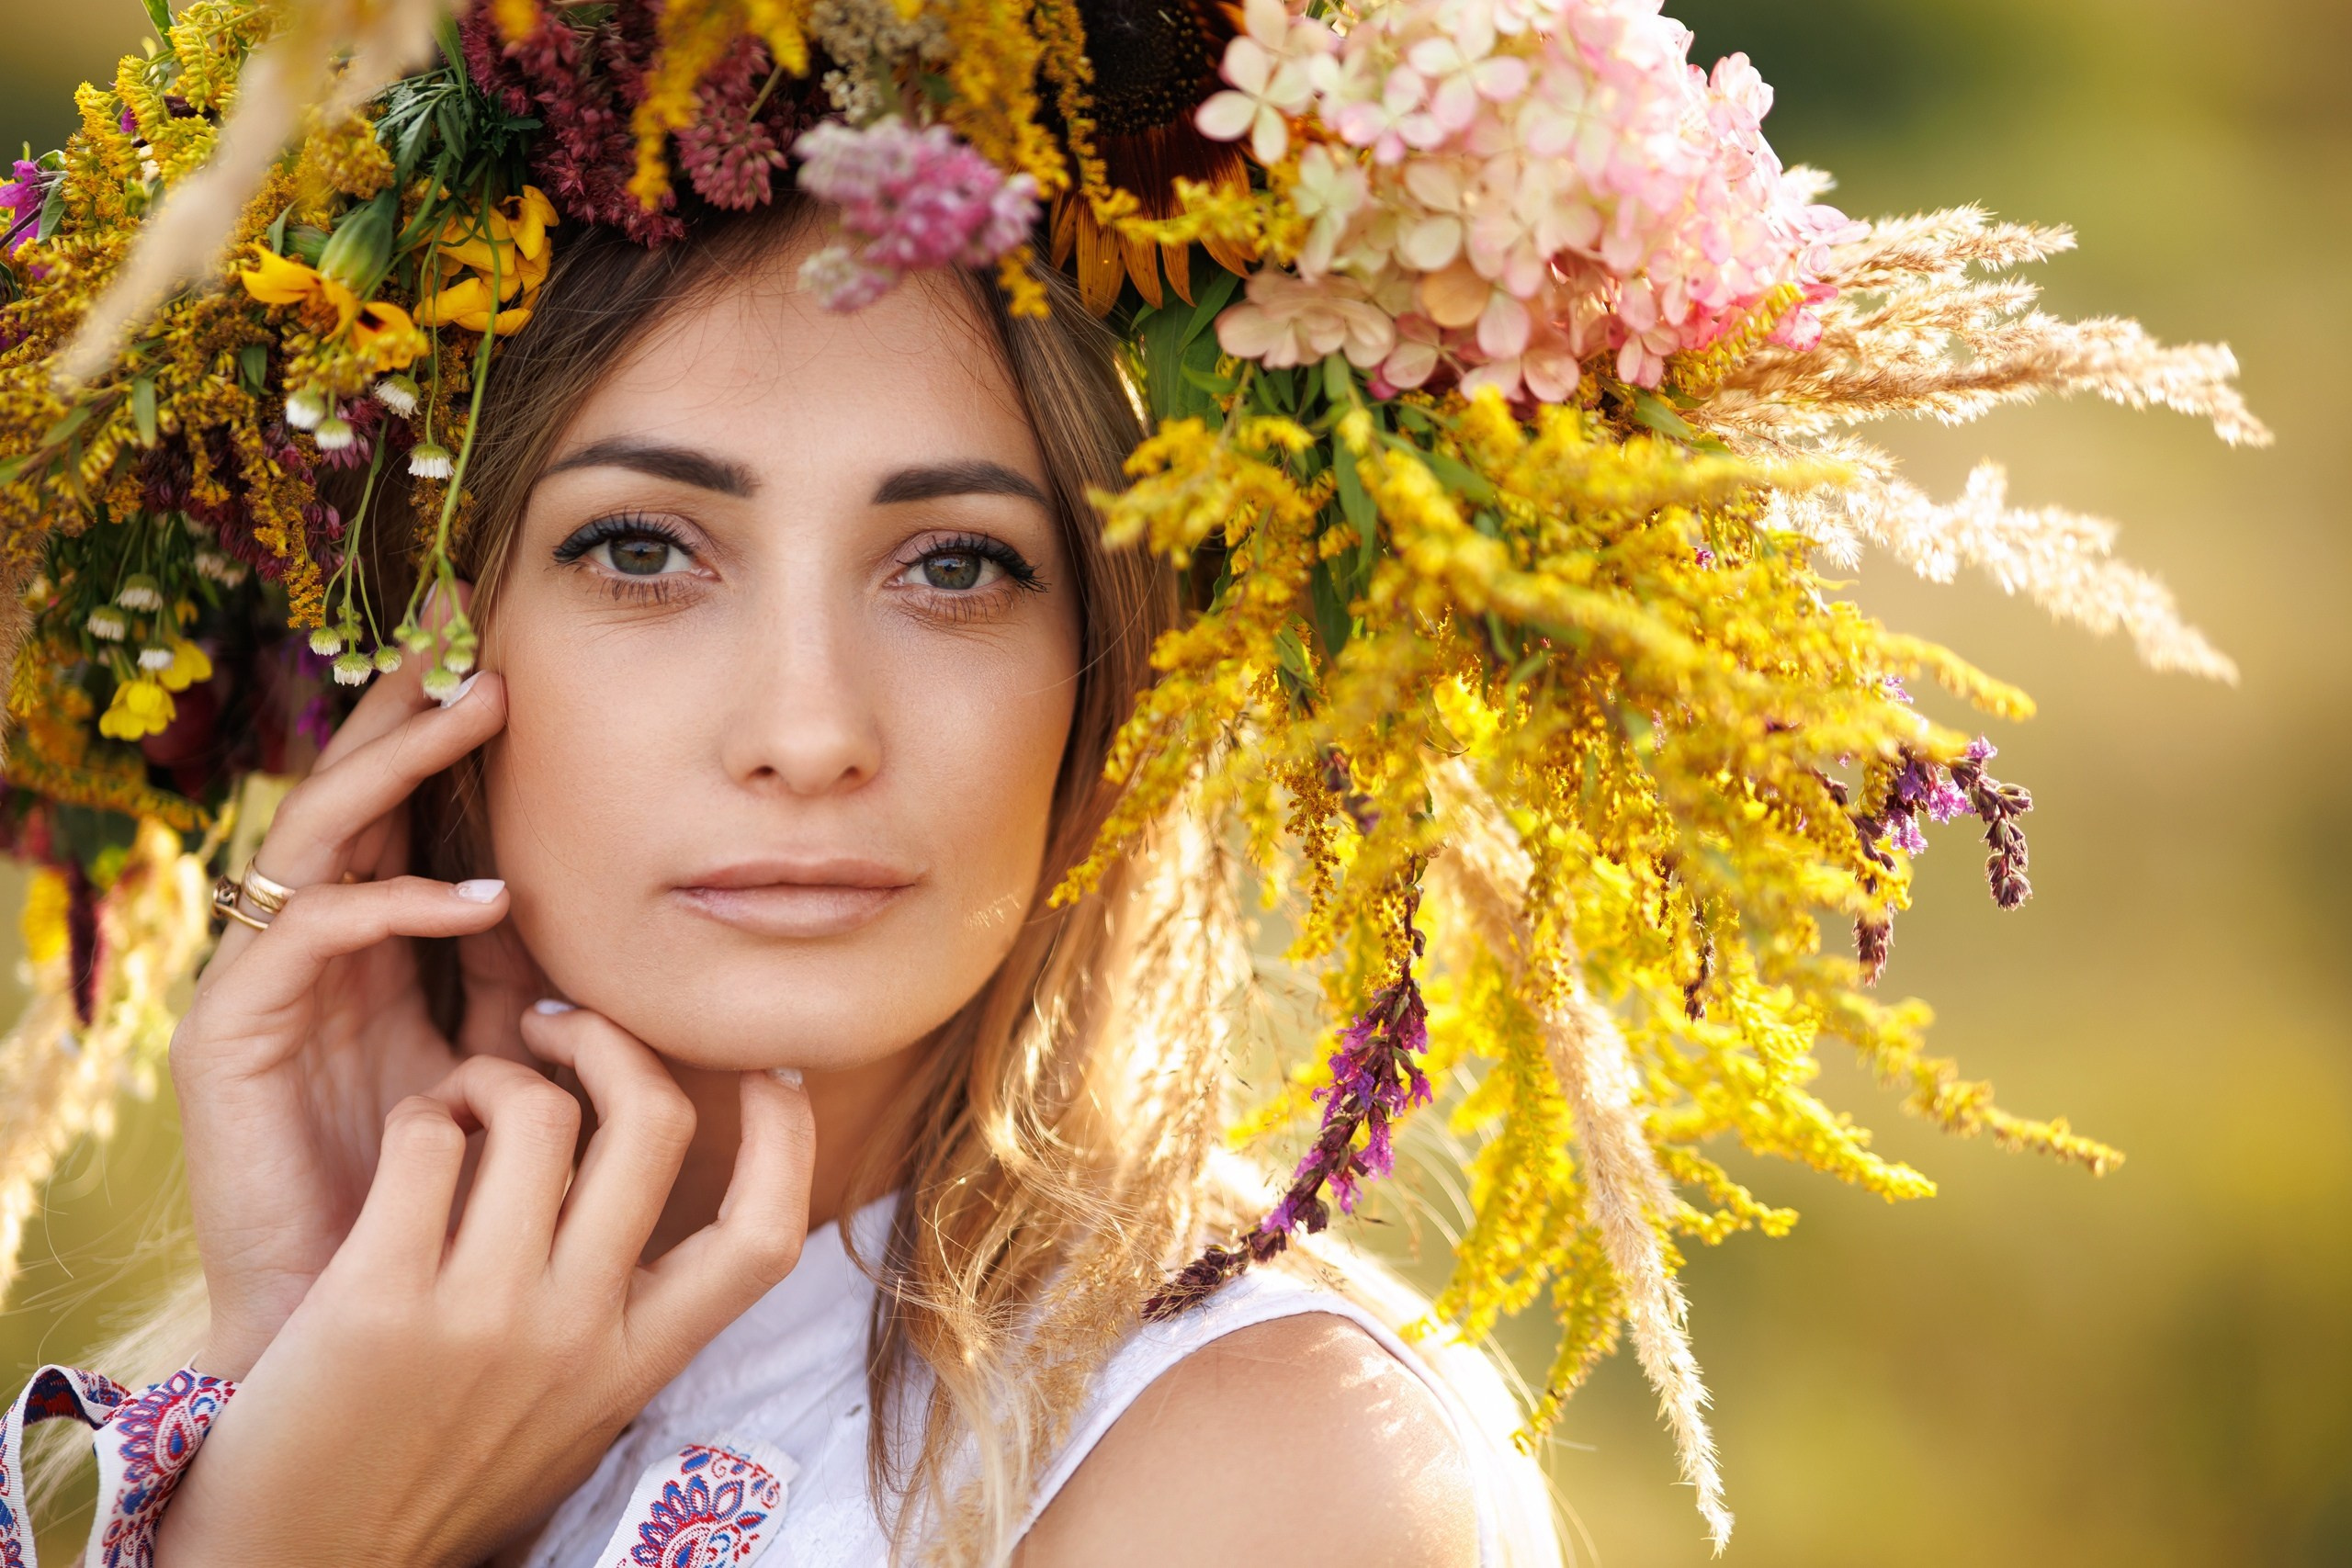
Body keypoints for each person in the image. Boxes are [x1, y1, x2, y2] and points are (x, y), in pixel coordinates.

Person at [122, 192, 1556, 1568]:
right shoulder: (332, 1336)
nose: (808, 736)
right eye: (642, 551)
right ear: (420, 658)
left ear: (1112, 684)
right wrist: (305, 1374)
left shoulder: (1277, 1459)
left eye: (953, 568)